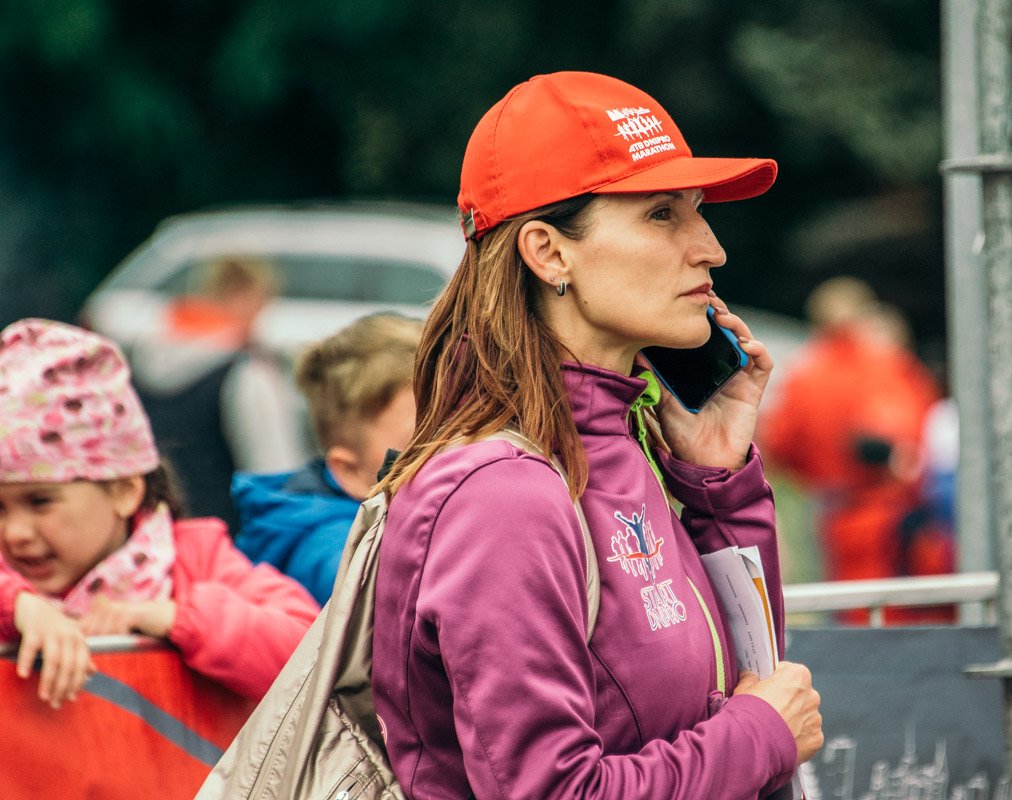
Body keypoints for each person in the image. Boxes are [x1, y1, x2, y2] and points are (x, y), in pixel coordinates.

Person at [371, 71, 823, 800]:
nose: (711, 249)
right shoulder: (501, 500)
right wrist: (760, 737)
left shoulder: (619, 441)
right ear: (549, 253)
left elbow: (748, 680)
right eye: (661, 215)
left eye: (698, 211)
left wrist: (718, 487)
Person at [0, 319, 320, 708]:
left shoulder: (192, 562)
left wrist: (175, 618)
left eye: (40, 502)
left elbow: (311, 657)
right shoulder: (10, 580)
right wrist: (17, 605)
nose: (15, 532)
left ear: (123, 491)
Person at [759, 277, 945, 623]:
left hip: (828, 511)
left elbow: (779, 446)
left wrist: (815, 473)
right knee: (892, 622)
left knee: (840, 618)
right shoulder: (887, 367)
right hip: (888, 516)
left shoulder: (803, 376)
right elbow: (899, 445)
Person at [234, 312, 422, 605]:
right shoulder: (329, 545)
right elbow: (379, 597)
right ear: (349, 471)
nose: (450, 453)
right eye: (419, 442)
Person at [129, 257, 306, 531]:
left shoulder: (142, 363)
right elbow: (275, 478)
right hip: (223, 548)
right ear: (242, 298)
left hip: (152, 538)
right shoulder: (244, 373)